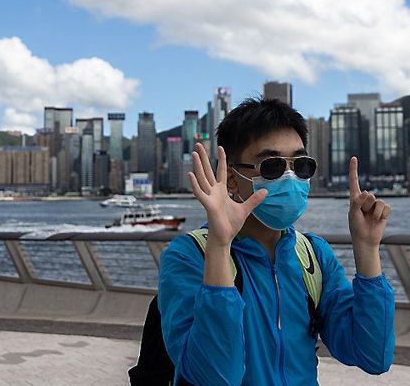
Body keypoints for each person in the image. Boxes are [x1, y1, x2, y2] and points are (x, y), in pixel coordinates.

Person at [157, 98, 395, 385]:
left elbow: (372, 356)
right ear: (232, 179)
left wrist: (368, 250)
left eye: (302, 165)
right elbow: (215, 377)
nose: (290, 177)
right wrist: (220, 247)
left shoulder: (313, 256)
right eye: (272, 166)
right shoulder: (189, 257)